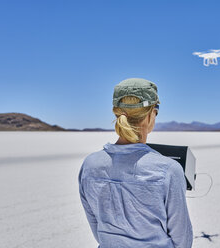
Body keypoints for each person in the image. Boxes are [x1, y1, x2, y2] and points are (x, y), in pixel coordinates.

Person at [78, 78, 193, 248]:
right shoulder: (168, 170)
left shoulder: (89, 165)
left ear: (116, 112)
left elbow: (98, 230)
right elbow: (182, 239)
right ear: (150, 114)